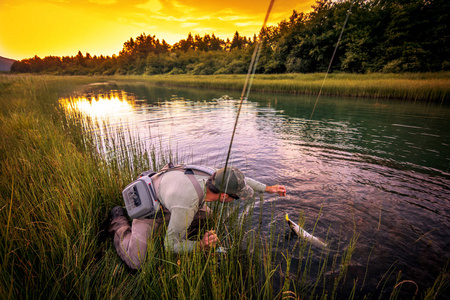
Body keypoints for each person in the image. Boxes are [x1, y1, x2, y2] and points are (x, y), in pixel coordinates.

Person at [103, 164, 287, 270]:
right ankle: (117, 221)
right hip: (151, 207)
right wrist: (201, 245)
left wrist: (269, 188)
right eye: (236, 197)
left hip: (170, 194)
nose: (236, 199)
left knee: (208, 216)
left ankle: (172, 222)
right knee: (136, 262)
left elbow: (240, 180)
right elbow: (170, 245)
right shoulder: (187, 202)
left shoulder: (213, 175)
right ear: (224, 196)